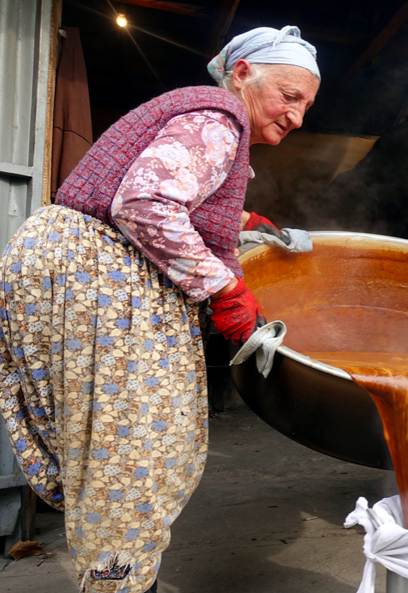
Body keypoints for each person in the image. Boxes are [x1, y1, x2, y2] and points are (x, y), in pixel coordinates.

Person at [0, 25, 319, 593]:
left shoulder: (205, 120)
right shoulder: (220, 116)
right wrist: (224, 288)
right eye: (290, 97)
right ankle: (118, 582)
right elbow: (144, 201)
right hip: (100, 275)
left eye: (306, 106)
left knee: (104, 445)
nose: (296, 117)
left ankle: (115, 573)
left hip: (66, 263)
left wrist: (242, 223)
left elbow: (158, 184)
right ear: (242, 72)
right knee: (130, 447)